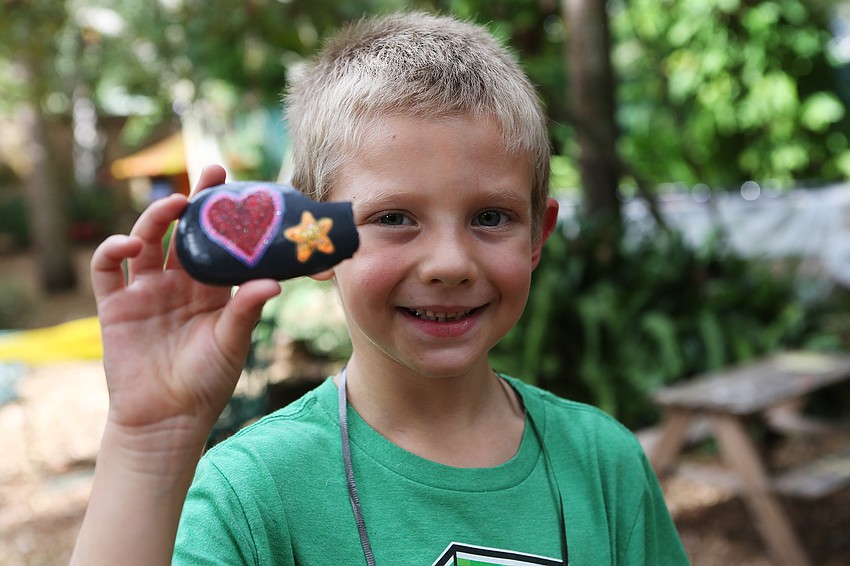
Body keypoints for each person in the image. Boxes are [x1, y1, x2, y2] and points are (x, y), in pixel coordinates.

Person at [71, 11, 689, 566]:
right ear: (312, 239)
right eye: (394, 218)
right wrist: (146, 443)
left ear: (536, 235)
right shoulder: (253, 494)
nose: (450, 263)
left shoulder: (604, 465)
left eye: (491, 217)